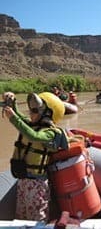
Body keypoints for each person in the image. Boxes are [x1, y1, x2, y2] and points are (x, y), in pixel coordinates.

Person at [2, 91, 68, 222]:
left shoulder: (50, 133)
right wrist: (12, 102)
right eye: (30, 110)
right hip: (23, 181)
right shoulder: (32, 124)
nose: (30, 113)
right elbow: (21, 118)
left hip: (37, 184)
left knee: (36, 219)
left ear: (47, 114)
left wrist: (13, 118)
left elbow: (34, 136)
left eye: (34, 110)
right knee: (21, 218)